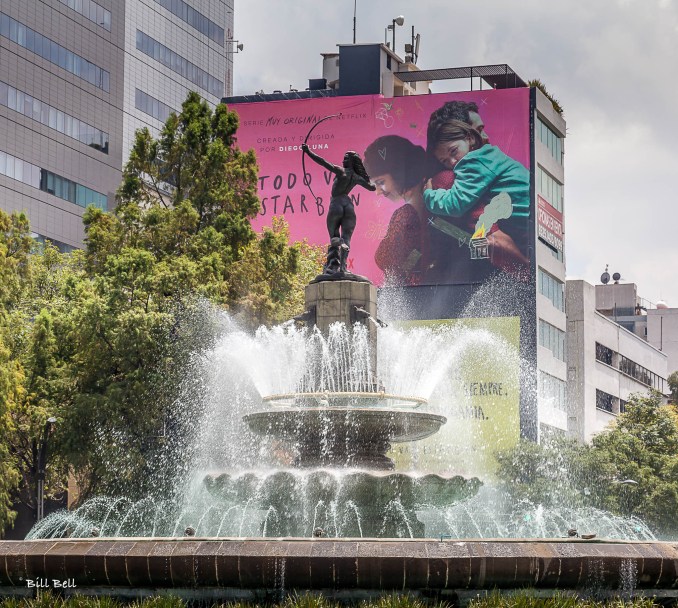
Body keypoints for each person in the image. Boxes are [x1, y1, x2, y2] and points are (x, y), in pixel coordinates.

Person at [424, 118, 530, 277]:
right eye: (445, 161)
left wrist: (429, 195)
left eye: (453, 151)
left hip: (523, 219)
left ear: (470, 138)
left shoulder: (472, 161)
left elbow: (456, 204)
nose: (453, 162)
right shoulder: (489, 155)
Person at [301, 142, 376, 275]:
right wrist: (367, 178)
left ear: (352, 162)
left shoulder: (341, 171)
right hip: (348, 205)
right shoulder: (357, 177)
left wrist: (308, 152)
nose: (343, 160)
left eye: (346, 159)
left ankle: (333, 267)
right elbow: (372, 187)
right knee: (346, 238)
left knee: (335, 237)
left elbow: (323, 162)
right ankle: (343, 267)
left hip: (336, 203)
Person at [363, 135, 429, 283]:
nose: (378, 191)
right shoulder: (431, 210)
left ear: (398, 172)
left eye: (381, 182)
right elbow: (417, 252)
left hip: (416, 295)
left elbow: (398, 265)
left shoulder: (406, 215)